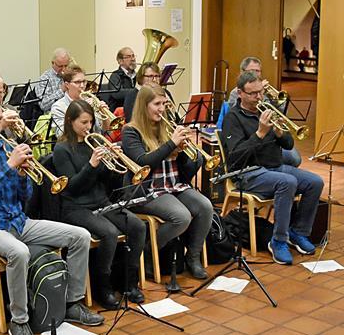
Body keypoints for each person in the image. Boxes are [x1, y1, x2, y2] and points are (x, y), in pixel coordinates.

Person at [0, 97, 103, 335]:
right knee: (19, 252)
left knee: (80, 236)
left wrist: (23, 175)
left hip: (19, 221)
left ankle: (72, 303)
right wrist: (9, 165)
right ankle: (20, 320)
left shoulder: (7, 147)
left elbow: (25, 196)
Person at [221, 71, 322, 266]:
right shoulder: (232, 118)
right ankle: (278, 241)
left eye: (260, 92)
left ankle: (298, 232)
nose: (258, 97)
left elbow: (289, 144)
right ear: (240, 93)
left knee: (314, 182)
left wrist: (279, 132)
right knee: (288, 182)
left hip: (275, 167)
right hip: (247, 173)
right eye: (252, 94)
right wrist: (259, 133)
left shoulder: (268, 110)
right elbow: (235, 156)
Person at [52, 100, 146, 308]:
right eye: (83, 122)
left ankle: (129, 283)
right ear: (70, 121)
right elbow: (73, 188)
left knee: (138, 226)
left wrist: (111, 163)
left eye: (91, 122)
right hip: (75, 207)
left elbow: (108, 184)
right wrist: (92, 164)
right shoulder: (62, 149)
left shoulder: (94, 143)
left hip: (100, 202)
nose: (88, 127)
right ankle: (103, 288)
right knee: (109, 233)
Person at [121, 86, 212, 279]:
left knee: (205, 206)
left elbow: (184, 171)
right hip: (147, 191)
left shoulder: (166, 126)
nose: (162, 109)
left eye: (164, 104)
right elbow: (142, 162)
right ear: (144, 106)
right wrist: (171, 144)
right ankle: (146, 252)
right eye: (157, 104)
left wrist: (192, 157)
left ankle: (192, 257)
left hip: (174, 186)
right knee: (182, 217)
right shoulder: (130, 131)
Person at [223, 57, 301, 168]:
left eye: (257, 71)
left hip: (271, 141)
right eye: (251, 71)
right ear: (243, 72)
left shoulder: (264, 91)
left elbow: (282, 112)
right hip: (253, 139)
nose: (259, 96)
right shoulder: (236, 93)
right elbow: (237, 114)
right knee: (291, 161)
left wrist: (270, 96)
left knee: (295, 159)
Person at [50, 65, 111, 136]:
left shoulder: (91, 100)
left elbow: (106, 132)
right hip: (73, 146)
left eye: (84, 81)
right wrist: (83, 111)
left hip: (96, 143)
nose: (82, 85)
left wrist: (104, 114)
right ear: (67, 85)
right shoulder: (58, 106)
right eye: (77, 82)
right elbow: (61, 134)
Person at [36, 48, 72, 113]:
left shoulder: (71, 75)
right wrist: (62, 90)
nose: (63, 69)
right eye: (60, 66)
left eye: (66, 66)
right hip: (54, 115)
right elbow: (43, 105)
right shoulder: (45, 78)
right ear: (53, 63)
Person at [105, 47, 138, 112]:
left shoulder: (138, 76)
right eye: (128, 57)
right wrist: (136, 91)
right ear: (120, 61)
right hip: (119, 112)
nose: (133, 59)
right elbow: (117, 94)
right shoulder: (115, 75)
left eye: (133, 56)